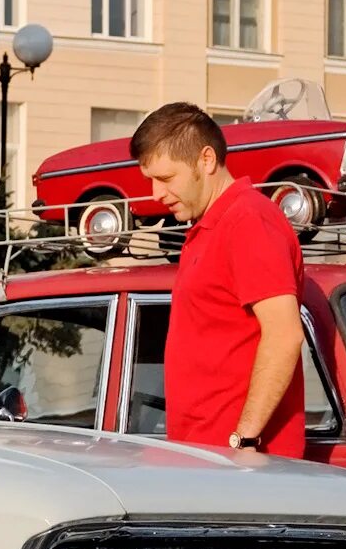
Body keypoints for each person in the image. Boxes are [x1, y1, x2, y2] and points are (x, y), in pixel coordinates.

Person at [130, 102, 306, 458]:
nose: (155, 194)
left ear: (206, 160)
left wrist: (245, 440)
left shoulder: (248, 221)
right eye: (150, 180)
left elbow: (285, 335)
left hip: (238, 468)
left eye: (165, 178)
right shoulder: (210, 226)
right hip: (205, 458)